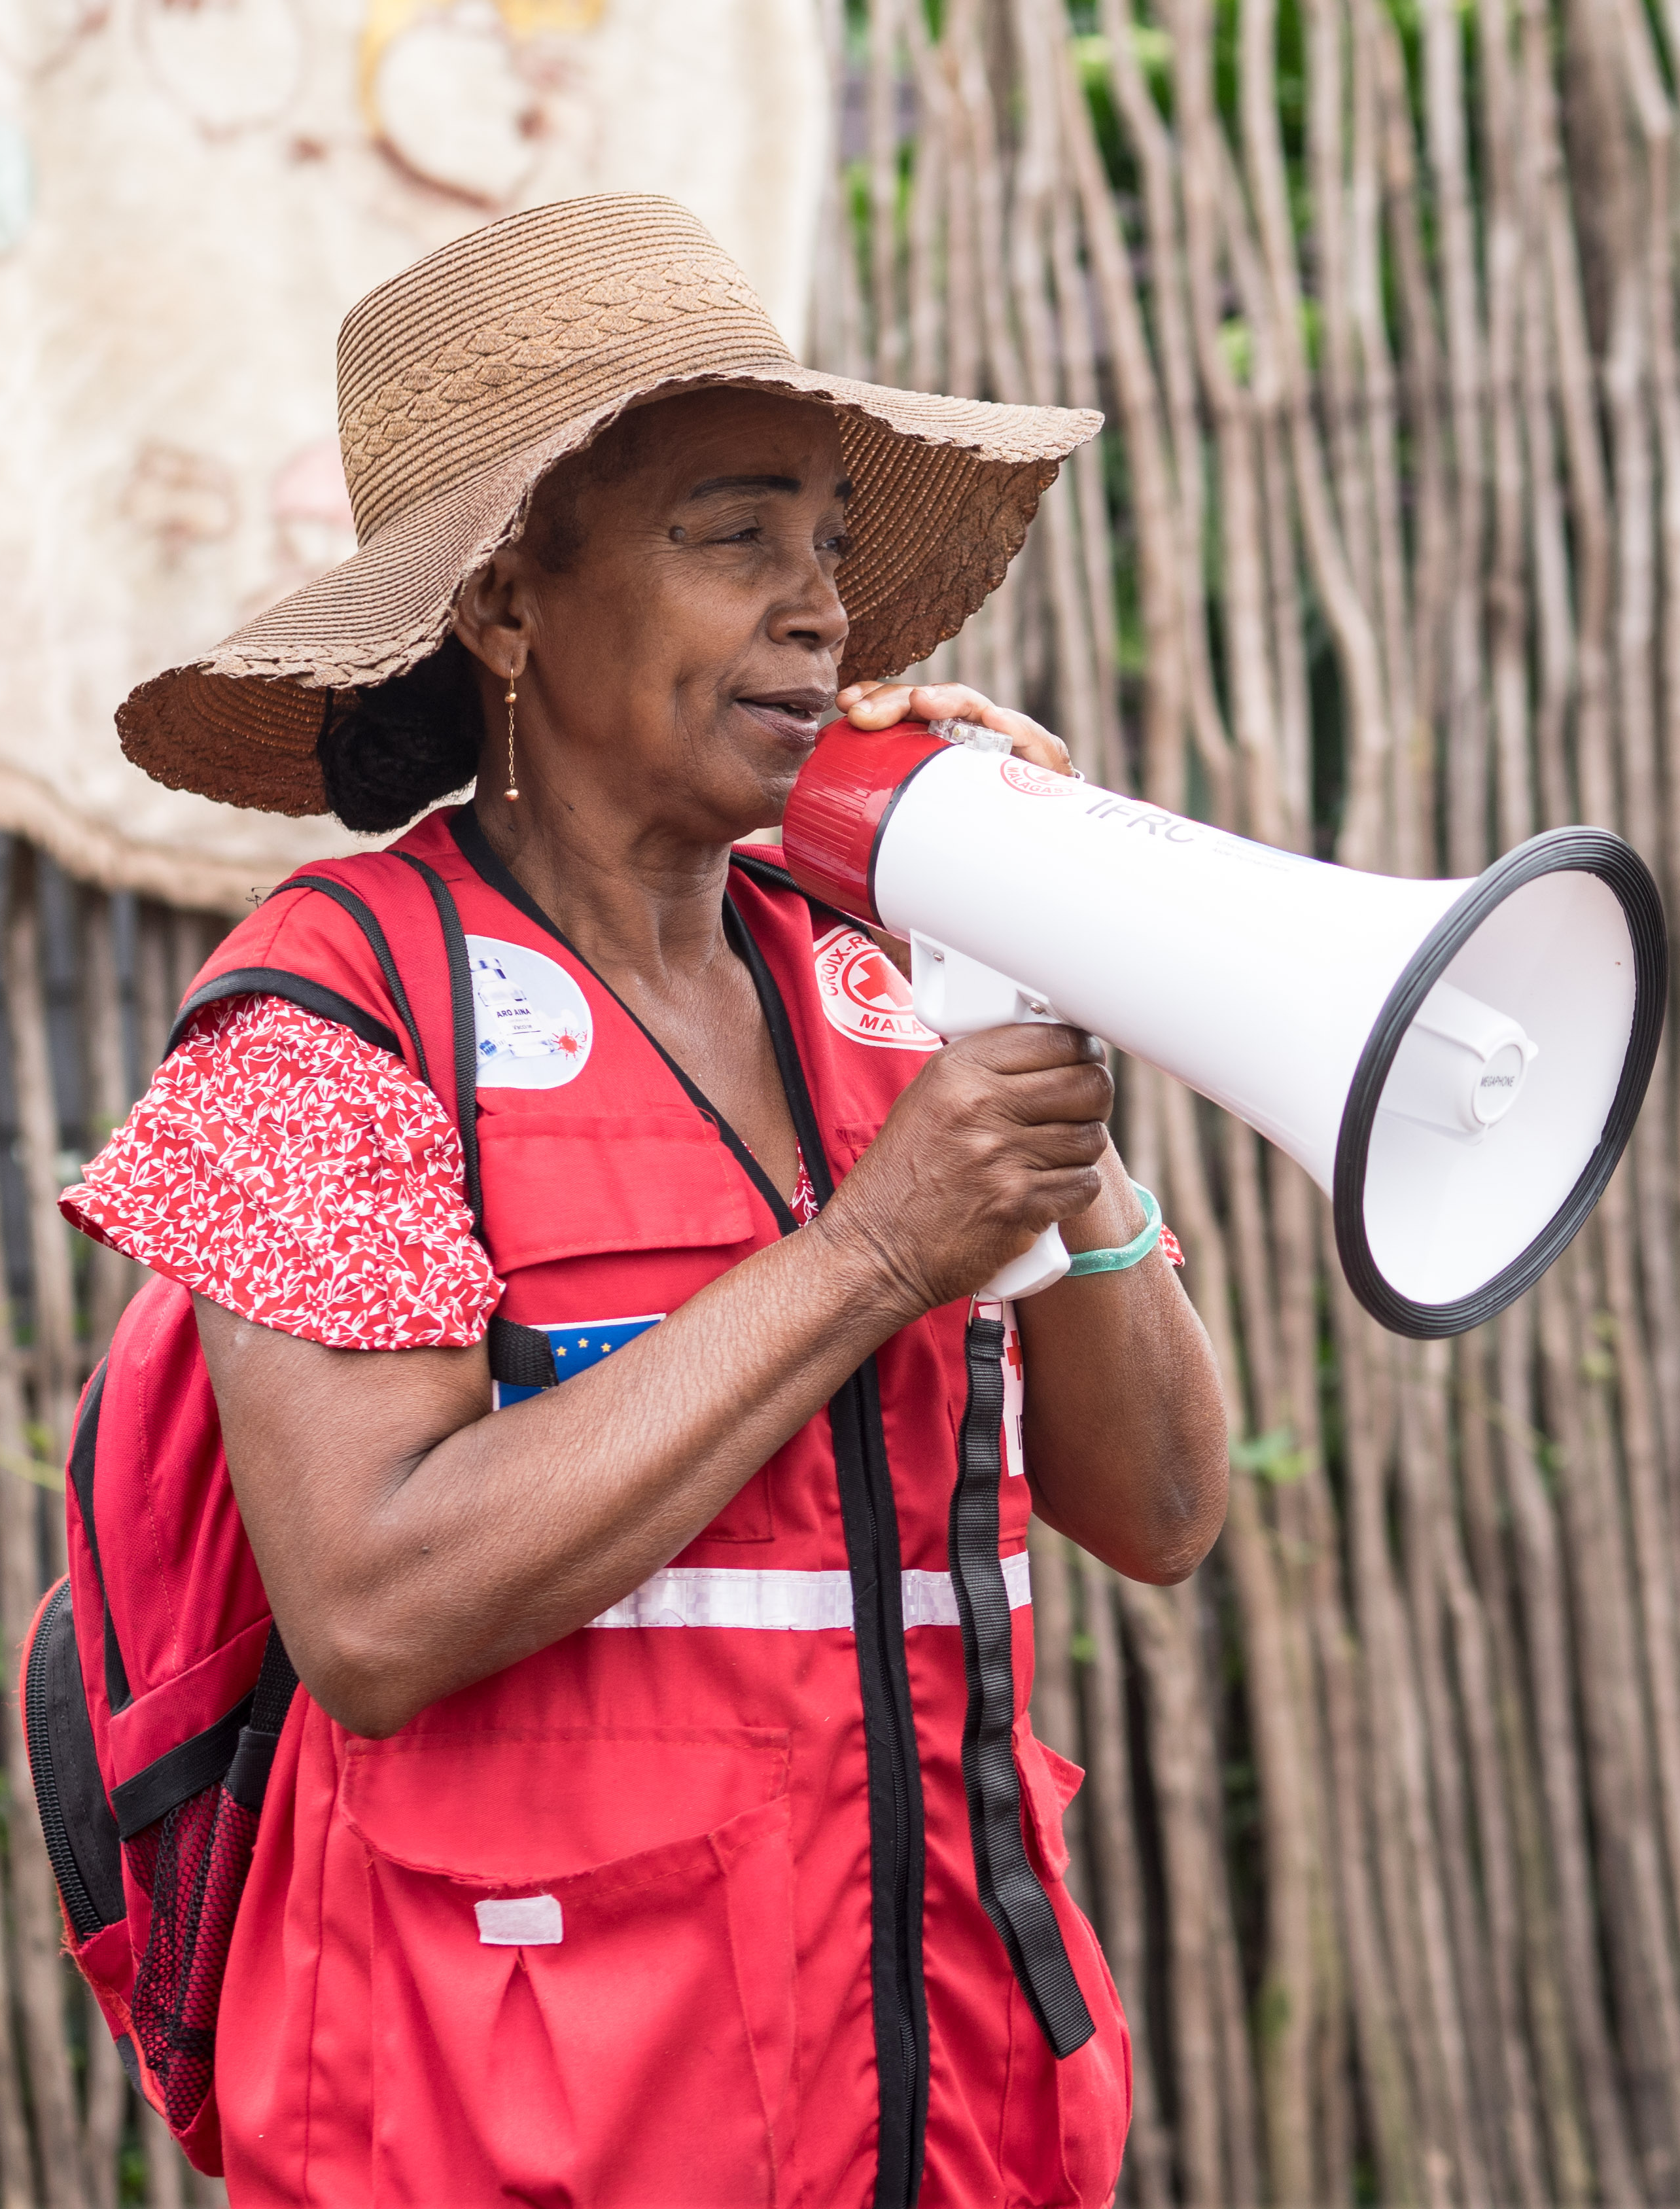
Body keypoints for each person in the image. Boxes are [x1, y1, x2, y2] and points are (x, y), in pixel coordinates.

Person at [63, 193, 1229, 2206]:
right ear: (510, 605)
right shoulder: (324, 1018)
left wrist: (1021, 980)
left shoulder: (877, 987)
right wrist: (876, 1252)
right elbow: (374, 1607)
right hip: (512, 2146)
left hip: (945, 2134)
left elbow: (1165, 1510)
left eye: (830, 545)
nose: (823, 611)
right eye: (734, 537)